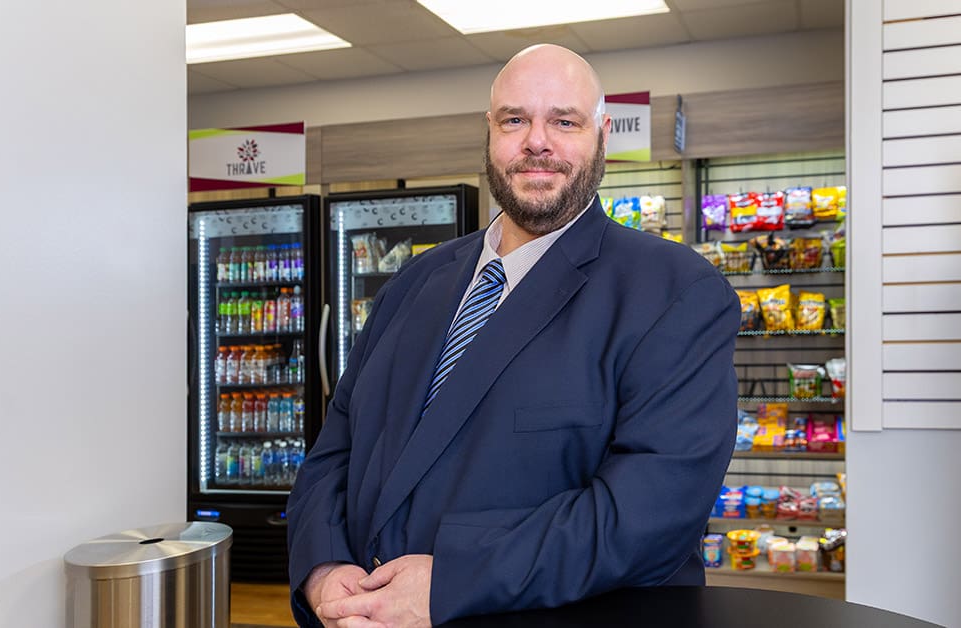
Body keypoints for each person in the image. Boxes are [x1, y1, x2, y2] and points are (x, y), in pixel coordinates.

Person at [287, 43, 739, 628]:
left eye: (565, 121)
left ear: (603, 134)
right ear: (490, 131)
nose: (537, 142)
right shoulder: (413, 283)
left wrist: (451, 581)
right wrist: (323, 569)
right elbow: (334, 453)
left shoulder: (676, 292)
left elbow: (651, 512)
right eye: (515, 119)